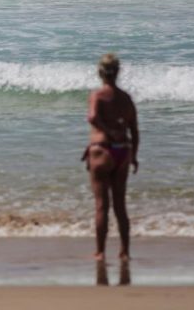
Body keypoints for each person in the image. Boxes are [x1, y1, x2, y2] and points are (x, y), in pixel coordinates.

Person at [83, 53, 139, 262]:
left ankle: (100, 252)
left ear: (100, 72)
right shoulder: (125, 98)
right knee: (120, 205)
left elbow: (93, 117)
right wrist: (134, 155)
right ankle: (124, 252)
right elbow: (134, 129)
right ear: (118, 72)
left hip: (101, 150)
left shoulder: (97, 95)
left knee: (101, 206)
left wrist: (108, 131)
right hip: (122, 151)